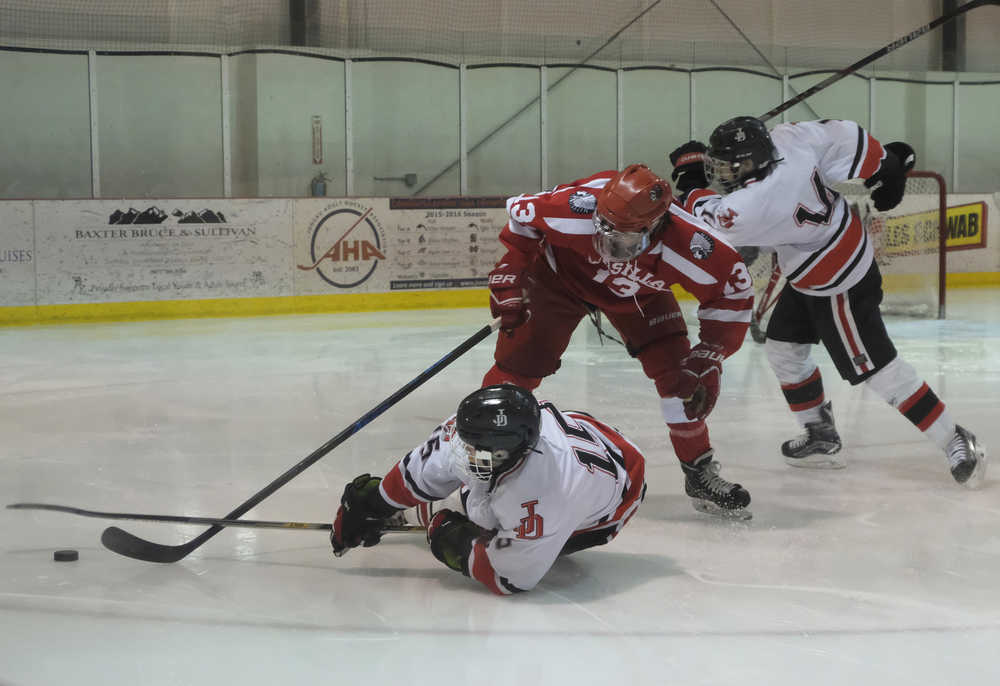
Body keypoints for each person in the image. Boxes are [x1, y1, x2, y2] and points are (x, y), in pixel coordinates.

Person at [669, 116, 987, 487]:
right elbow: (845, 134)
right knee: (784, 348)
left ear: (753, 162)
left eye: (728, 165)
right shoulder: (789, 138)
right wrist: (885, 163)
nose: (722, 172)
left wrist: (690, 180)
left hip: (837, 280)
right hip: (814, 266)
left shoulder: (754, 203)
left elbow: (702, 218)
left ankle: (954, 439)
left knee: (878, 369)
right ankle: (820, 434)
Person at [482, 164, 756, 518]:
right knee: (515, 369)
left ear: (655, 226)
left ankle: (698, 471)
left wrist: (709, 355)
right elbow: (523, 215)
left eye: (624, 240)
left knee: (682, 378)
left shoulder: (693, 246)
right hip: (557, 280)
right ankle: (481, 452)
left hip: (638, 295)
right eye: (604, 232)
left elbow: (733, 293)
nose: (609, 248)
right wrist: (510, 270)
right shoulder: (576, 206)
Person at [329, 384, 646, 595]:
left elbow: (511, 577)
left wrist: (453, 541)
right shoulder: (479, 431)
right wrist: (374, 501)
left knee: (488, 522)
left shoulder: (544, 502)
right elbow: (426, 467)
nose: (459, 450)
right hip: (591, 440)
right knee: (470, 487)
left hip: (612, 500)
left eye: (472, 449)